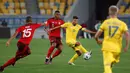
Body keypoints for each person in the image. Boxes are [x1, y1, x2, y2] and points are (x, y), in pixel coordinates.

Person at [94, 5, 129, 73]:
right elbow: (127, 35)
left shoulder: (105, 22)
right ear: (117, 12)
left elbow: (96, 35)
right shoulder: (122, 24)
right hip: (117, 49)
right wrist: (127, 46)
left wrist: (97, 40)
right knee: (111, 63)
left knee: (107, 65)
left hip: (107, 47)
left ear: (109, 12)